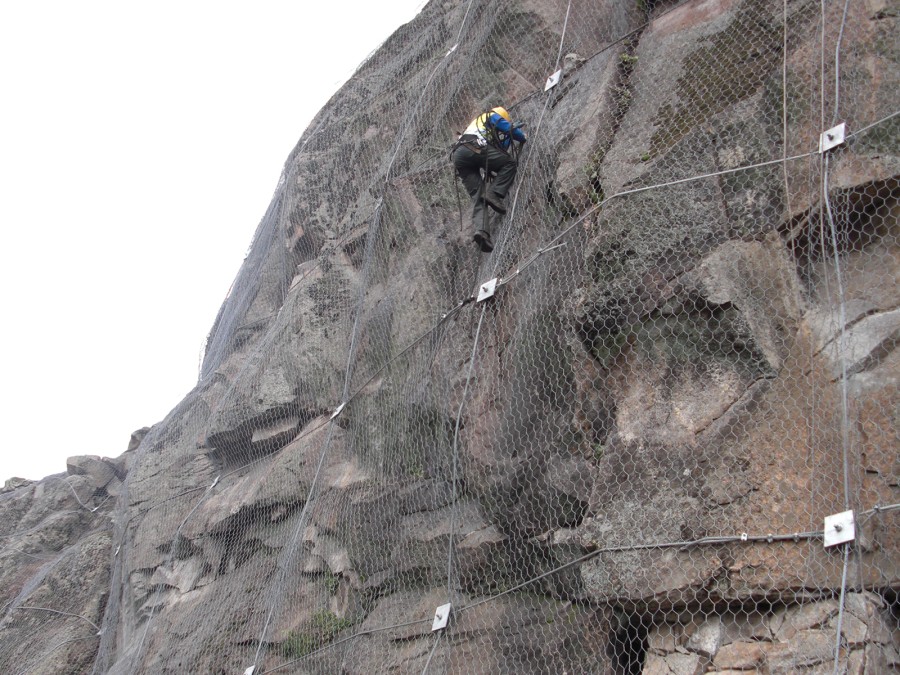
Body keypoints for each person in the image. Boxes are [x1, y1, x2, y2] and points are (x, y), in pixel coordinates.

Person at [451, 106, 527, 252]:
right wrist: (522, 137)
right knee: (509, 163)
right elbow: (509, 130)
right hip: (474, 148)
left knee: (478, 197)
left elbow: (499, 147)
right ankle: (494, 193)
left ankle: (481, 232)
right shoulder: (491, 116)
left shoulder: (475, 127)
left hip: (459, 156)